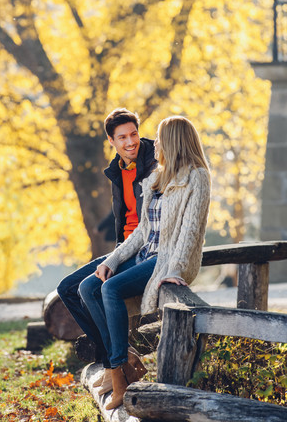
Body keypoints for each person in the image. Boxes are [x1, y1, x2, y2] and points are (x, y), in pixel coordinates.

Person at [78, 115, 211, 409]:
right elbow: (142, 231)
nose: (155, 144)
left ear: (174, 141)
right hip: (144, 254)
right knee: (89, 287)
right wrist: (112, 260)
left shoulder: (197, 176)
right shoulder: (157, 177)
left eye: (161, 139)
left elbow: (191, 229)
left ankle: (118, 376)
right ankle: (124, 367)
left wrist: (175, 269)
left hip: (167, 259)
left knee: (110, 290)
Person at [57, 108, 156, 382]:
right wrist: (115, 254)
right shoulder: (116, 170)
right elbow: (124, 219)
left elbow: (149, 225)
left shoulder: (154, 163)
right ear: (111, 141)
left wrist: (118, 258)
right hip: (123, 247)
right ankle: (116, 358)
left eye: (134, 134)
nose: (130, 142)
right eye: (122, 137)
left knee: (90, 287)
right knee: (66, 288)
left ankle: (116, 364)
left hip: (144, 248)